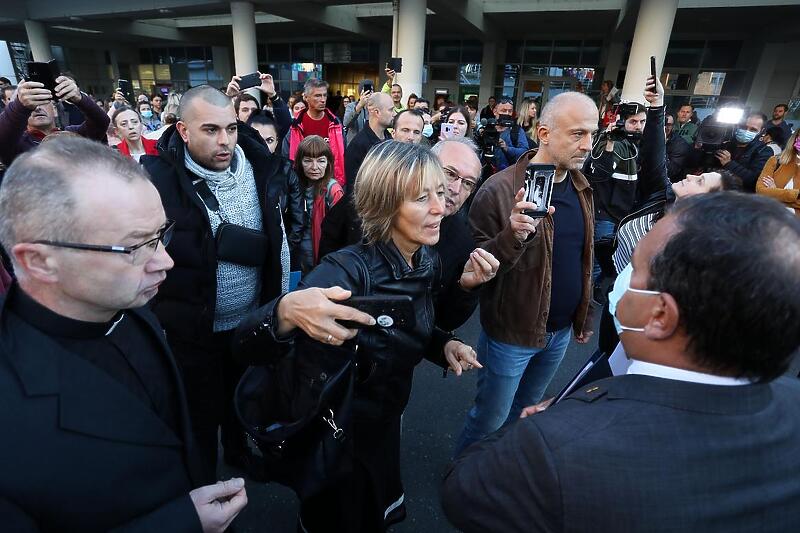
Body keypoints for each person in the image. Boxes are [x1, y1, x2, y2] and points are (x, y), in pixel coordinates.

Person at [442, 192, 800, 533]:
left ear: (660, 314)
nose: (620, 281)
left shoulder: (553, 450)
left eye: (634, 268)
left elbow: (463, 491)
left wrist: (541, 426)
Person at [234, 141, 489, 532]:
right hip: (339, 430)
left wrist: (444, 345)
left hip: (383, 425)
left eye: (442, 191)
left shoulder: (426, 259)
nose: (441, 206)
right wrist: (283, 311)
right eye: (423, 197)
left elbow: (406, 326)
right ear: (385, 203)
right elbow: (245, 345)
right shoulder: (346, 272)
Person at [0, 136, 248, 532]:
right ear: (41, 261)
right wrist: (180, 523)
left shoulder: (129, 303)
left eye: (161, 234)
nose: (165, 261)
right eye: (135, 247)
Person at [141, 85, 290, 480]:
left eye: (230, 128)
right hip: (192, 330)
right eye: (210, 130)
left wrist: (280, 305)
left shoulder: (262, 165)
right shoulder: (157, 180)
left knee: (244, 401)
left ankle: (240, 454)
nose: (224, 141)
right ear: (183, 131)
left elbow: (280, 237)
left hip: (250, 321)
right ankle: (204, 494)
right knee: (200, 421)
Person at [455, 91, 598, 456]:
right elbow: (471, 265)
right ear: (544, 133)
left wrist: (582, 313)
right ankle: (464, 478)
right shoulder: (498, 190)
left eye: (592, 134)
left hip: (559, 333)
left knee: (523, 414)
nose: (588, 145)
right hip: (510, 335)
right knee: (489, 418)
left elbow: (581, 257)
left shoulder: (582, 186)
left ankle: (500, 473)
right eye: (577, 134)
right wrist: (512, 235)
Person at [583, 101, 648, 288]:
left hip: (619, 214)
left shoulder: (632, 145)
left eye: (642, 122)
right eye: (633, 122)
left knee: (602, 261)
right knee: (595, 261)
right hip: (605, 214)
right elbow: (599, 175)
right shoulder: (613, 143)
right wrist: (609, 143)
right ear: (621, 122)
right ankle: (586, 305)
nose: (638, 126)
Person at [430, 137, 487, 330]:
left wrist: (465, 289)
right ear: (427, 165)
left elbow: (445, 321)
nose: (455, 189)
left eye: (468, 183)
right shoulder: (375, 210)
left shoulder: (464, 243)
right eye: (450, 173)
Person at [0, 77, 109, 165]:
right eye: (31, 104)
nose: (37, 108)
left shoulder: (74, 134)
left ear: (55, 110)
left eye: (42, 101)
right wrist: (20, 105)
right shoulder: (17, 145)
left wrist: (79, 97)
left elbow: (101, 122)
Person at [282, 78, 346, 187]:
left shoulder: (335, 124)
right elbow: (287, 156)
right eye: (317, 96)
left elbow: (343, 154)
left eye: (324, 95)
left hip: (330, 184)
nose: (322, 100)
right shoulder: (296, 125)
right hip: (303, 185)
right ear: (306, 98)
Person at [295, 135, 344, 272]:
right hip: (299, 260)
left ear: (328, 163)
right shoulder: (294, 187)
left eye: (321, 161)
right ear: (299, 162)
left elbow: (341, 233)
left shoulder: (333, 190)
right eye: (308, 161)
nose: (314, 167)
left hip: (323, 262)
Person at [344, 92, 393, 193]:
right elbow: (353, 189)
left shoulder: (390, 140)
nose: (394, 114)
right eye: (391, 110)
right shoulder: (358, 145)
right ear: (377, 112)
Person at [714, 111, 773, 191]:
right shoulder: (726, 144)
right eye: (743, 127)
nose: (746, 131)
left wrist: (729, 163)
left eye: (753, 130)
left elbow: (754, 180)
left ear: (761, 131)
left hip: (737, 196)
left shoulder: (764, 151)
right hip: (715, 189)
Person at [227, 72, 290, 140]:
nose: (250, 113)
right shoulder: (232, 135)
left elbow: (285, 124)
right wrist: (227, 97)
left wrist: (273, 95)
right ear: (237, 114)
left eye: (254, 110)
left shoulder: (269, 130)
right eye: (245, 110)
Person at [757, 129, 800, 216]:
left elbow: (768, 193)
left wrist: (774, 192)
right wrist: (796, 195)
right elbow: (760, 191)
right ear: (795, 138)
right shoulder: (775, 160)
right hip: (768, 218)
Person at [493, 97, 529, 171]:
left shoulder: (516, 130)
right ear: (495, 111)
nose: (507, 114)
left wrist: (507, 148)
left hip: (507, 174)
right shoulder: (486, 128)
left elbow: (525, 152)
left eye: (510, 111)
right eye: (503, 110)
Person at [665, 113, 694, 183]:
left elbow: (671, 171)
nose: (665, 127)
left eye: (669, 125)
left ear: (673, 127)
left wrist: (660, 146)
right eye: (662, 123)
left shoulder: (680, 144)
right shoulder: (648, 137)